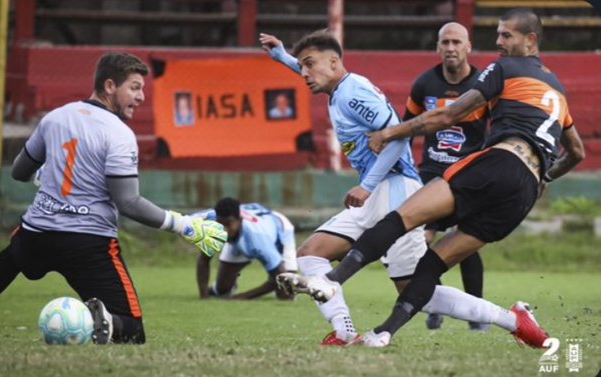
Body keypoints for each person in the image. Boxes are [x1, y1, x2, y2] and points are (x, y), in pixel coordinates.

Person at [280, 9, 586, 349]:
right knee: (334, 258)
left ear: (530, 40)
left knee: (406, 243)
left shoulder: (501, 69)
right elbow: (576, 152)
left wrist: (390, 136)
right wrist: (545, 175)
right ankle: (352, 332)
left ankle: (337, 285)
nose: (497, 42)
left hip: (456, 172)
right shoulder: (556, 90)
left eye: (505, 35)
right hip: (524, 188)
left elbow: (441, 117)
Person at [0, 52, 227, 347]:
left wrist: (45, 174)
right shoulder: (119, 134)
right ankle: (108, 321)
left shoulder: (55, 117)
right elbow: (128, 202)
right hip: (87, 243)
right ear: (110, 86)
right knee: (133, 332)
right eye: (135, 88)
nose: (141, 97)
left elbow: (20, 172)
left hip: (38, 233)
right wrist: (184, 225)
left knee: (9, 259)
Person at [405, 22, 489, 332]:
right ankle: (435, 302)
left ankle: (476, 313)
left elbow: (501, 127)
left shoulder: (485, 84)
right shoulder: (424, 83)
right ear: (438, 47)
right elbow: (406, 127)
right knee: (421, 241)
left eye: (456, 42)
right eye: (445, 42)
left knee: (466, 243)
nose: (450, 48)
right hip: (431, 173)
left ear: (468, 46)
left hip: (470, 174)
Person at [195, 198, 297, 300]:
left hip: (280, 231)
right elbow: (204, 259)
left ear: (240, 219)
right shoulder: (211, 223)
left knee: (286, 292)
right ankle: (228, 285)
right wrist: (204, 296)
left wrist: (244, 297)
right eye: (220, 224)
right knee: (222, 290)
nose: (223, 230)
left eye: (228, 224)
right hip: (243, 237)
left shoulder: (258, 239)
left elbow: (282, 276)